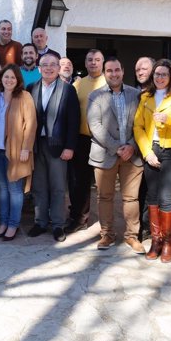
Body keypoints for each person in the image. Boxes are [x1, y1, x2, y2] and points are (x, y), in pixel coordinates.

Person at [133, 59, 171, 263]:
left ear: (170, 76)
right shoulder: (146, 96)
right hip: (152, 150)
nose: (159, 78)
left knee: (166, 196)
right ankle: (156, 241)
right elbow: (138, 127)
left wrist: (169, 120)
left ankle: (167, 242)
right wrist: (147, 152)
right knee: (151, 196)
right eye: (157, 74)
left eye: (163, 74)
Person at [88, 57, 145, 253]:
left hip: (132, 155)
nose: (114, 74)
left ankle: (132, 236)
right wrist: (117, 147)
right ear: (104, 73)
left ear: (123, 71)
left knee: (131, 198)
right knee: (104, 197)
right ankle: (107, 235)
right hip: (105, 155)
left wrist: (131, 146)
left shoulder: (136, 94)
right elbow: (95, 126)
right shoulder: (95, 96)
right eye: (109, 71)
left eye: (117, 70)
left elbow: (143, 124)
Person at [28, 53, 80, 242]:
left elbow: (73, 122)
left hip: (58, 146)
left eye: (52, 65)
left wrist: (69, 147)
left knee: (58, 187)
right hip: (37, 145)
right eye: (44, 65)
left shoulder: (67, 90)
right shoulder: (31, 88)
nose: (48, 68)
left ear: (59, 68)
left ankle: (57, 225)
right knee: (39, 186)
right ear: (39, 68)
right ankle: (40, 222)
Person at [0, 64, 36, 241]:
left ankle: (13, 225)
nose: (9, 80)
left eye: (12, 77)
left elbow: (31, 124)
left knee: (15, 190)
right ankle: (3, 222)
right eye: (6, 77)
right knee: (2, 189)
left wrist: (26, 148)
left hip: (17, 151)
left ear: (18, 80)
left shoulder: (24, 97)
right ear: (1, 78)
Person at [66, 49, 106, 234]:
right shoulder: (78, 84)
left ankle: (107, 223)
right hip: (81, 139)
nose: (93, 63)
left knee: (103, 184)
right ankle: (78, 218)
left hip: (103, 141)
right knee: (78, 182)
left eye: (97, 60)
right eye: (90, 59)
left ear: (103, 62)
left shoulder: (109, 82)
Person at [134, 56, 155, 240]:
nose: (140, 72)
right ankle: (142, 225)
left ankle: (158, 229)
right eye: (137, 69)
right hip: (138, 150)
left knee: (158, 192)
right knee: (140, 190)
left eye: (144, 68)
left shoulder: (164, 93)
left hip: (158, 151)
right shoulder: (135, 93)